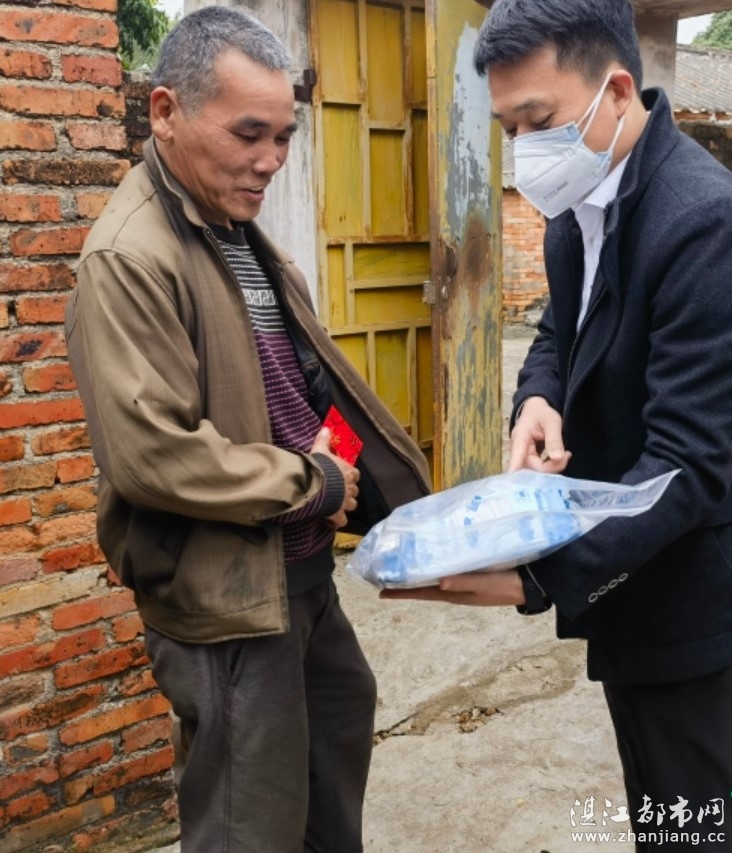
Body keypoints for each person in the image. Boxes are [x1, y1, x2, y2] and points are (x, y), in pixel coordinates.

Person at [64, 7, 430, 852]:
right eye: (248, 134)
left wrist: (363, 477)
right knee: (247, 823)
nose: (271, 159)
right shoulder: (130, 256)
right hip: (225, 599)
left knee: (333, 765)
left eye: (285, 136)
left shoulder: (240, 236)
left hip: (298, 575)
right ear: (165, 112)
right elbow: (153, 455)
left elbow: (298, 386)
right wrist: (316, 482)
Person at [382, 1, 732, 849]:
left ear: (617, 91)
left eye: (538, 122)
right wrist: (537, 398)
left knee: (697, 818)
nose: (524, 152)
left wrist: (538, 575)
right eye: (509, 129)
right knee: (659, 813)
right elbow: (558, 331)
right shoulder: (580, 205)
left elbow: (689, 463)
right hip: (626, 586)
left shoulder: (702, 223)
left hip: (694, 602)